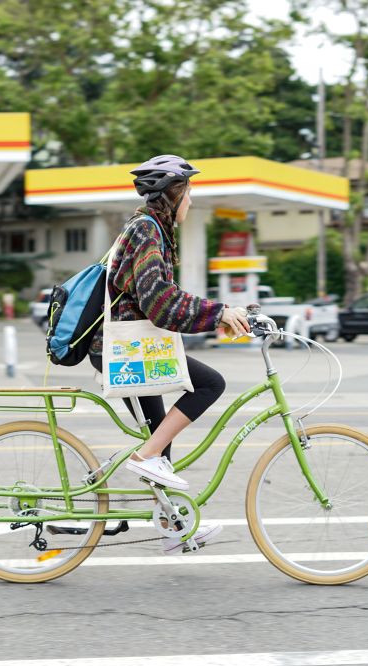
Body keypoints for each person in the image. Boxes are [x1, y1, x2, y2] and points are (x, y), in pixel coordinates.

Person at [88, 154, 251, 554]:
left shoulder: (150, 229)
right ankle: (147, 463)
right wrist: (218, 313)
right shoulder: (146, 231)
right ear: (173, 195)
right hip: (125, 349)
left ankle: (171, 525)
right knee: (209, 385)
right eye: (189, 193)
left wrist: (218, 314)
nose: (192, 203)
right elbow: (160, 302)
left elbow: (158, 301)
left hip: (132, 347)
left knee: (161, 438)